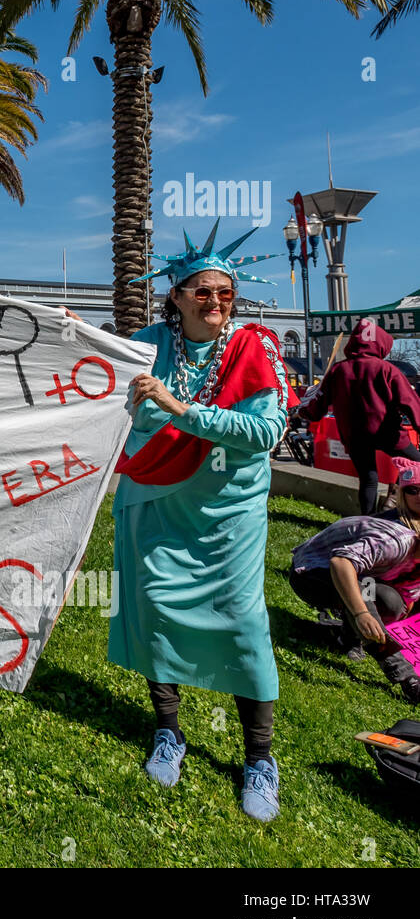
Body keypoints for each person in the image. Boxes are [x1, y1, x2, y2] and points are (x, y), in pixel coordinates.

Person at [110, 223, 289, 821]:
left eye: (226, 294)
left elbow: (265, 432)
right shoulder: (148, 341)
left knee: (242, 623)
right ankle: (169, 731)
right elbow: (104, 394)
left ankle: (260, 758)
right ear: (177, 295)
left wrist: (179, 409)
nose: (216, 304)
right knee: (157, 608)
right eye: (203, 293)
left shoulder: (255, 347)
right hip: (157, 497)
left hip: (229, 509)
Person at [288, 459, 420, 704]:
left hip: (361, 575)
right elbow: (340, 563)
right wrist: (360, 613)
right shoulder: (396, 538)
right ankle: (408, 680)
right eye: (413, 489)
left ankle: (344, 637)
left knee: (390, 603)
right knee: (363, 593)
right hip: (312, 573)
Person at [297, 319, 420, 514]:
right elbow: (411, 404)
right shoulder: (387, 370)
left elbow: (318, 404)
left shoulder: (338, 370)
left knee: (368, 478)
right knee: (416, 462)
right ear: (380, 343)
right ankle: (394, 497)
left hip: (355, 435)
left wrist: (303, 413)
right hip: (387, 431)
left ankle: (367, 519)